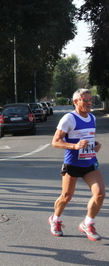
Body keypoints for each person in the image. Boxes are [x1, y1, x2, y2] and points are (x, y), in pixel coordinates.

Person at [49, 88, 105, 241]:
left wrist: (96, 145)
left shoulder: (92, 118)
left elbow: (89, 138)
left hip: (90, 162)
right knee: (66, 196)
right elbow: (55, 141)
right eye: (86, 100)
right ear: (76, 101)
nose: (89, 102)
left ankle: (88, 222)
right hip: (73, 163)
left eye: (91, 99)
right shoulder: (69, 118)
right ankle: (55, 219)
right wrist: (74, 146)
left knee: (100, 194)